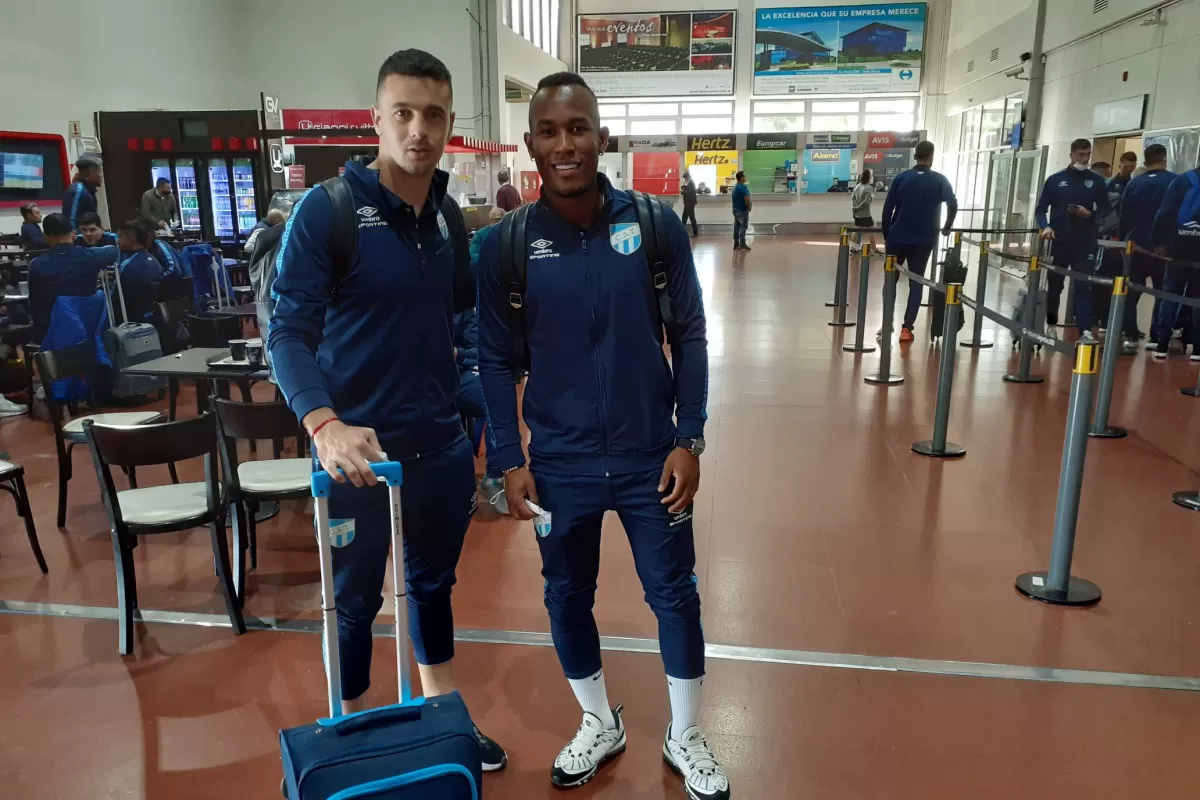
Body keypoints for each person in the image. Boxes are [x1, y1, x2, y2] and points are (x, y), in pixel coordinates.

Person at [476, 72, 727, 799]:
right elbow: (493, 358)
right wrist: (509, 456)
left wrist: (691, 434)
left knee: (675, 594)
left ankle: (685, 735)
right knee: (565, 594)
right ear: (531, 145)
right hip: (560, 464)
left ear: (602, 136)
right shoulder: (510, 245)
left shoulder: (654, 225)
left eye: (579, 128)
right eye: (550, 132)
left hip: (653, 456)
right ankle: (598, 722)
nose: (566, 144)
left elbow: (692, 332)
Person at [267, 48, 507, 772]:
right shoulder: (328, 212)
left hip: (436, 449)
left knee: (433, 586)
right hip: (359, 456)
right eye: (402, 112)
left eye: (433, 114)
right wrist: (323, 424)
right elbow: (286, 333)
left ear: (450, 124)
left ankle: (440, 720)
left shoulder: (448, 223)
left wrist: (482, 405)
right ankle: (353, 735)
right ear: (377, 119)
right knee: (354, 597)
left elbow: (461, 323)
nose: (418, 128)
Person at [880, 140, 958, 342]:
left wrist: (888, 234)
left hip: (897, 238)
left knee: (891, 280)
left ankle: (886, 323)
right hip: (924, 239)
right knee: (917, 282)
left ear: (916, 155)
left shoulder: (902, 178)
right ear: (931, 156)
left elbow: (888, 209)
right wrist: (947, 226)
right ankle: (907, 328)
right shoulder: (939, 180)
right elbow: (952, 204)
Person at [1035, 138, 1112, 336]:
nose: (1085, 159)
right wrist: (1045, 227)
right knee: (1055, 286)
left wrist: (1090, 215)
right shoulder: (1054, 180)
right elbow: (1041, 209)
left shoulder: (1096, 181)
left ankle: (1085, 330)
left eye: (1088, 154)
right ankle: (1051, 325)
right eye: (1081, 155)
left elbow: (1105, 209)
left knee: (1083, 286)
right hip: (1059, 241)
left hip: (1085, 242)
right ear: (1071, 155)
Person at [459, 206, 508, 514]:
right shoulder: (454, 293)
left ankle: (494, 476)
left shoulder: (486, 299)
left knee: (494, 400)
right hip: (440, 377)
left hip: (470, 373)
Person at [1118, 144, 1175, 350]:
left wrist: (1124, 240)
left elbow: (1124, 216)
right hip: (1162, 248)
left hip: (1136, 245)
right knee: (1162, 292)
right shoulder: (1174, 182)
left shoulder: (1135, 184)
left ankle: (1130, 335)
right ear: (1164, 158)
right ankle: (1155, 336)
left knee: (1132, 291)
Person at [27, 213, 118, 343]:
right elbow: (113, 250)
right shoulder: (92, 256)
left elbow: (34, 303)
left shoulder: (36, 265)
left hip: (54, 333)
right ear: (73, 234)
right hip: (91, 331)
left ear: (46, 238)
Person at [1148, 158, 1200, 360]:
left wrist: (1158, 243)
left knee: (1170, 294)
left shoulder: (1182, 180)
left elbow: (1165, 213)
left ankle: (1161, 344)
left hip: (1178, 248)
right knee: (1197, 298)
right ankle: (1197, 348)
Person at [112, 220, 164, 325]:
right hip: (153, 319)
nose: (117, 242)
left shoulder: (127, 266)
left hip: (131, 323)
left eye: (120, 237)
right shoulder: (155, 262)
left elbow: (114, 299)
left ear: (130, 240)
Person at [62, 155, 103, 231]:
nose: (101, 175)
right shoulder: (78, 190)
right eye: (99, 172)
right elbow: (71, 221)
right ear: (92, 173)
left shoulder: (88, 190)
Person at [851, 169, 876, 252]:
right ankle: (874, 248)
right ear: (868, 177)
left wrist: (855, 208)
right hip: (865, 214)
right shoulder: (869, 188)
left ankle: (853, 247)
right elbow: (866, 202)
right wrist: (871, 200)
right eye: (871, 176)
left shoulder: (857, 187)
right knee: (872, 229)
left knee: (856, 230)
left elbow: (853, 199)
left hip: (857, 213)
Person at [732, 169, 751, 251]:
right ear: (741, 178)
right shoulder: (743, 187)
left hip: (736, 210)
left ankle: (736, 244)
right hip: (742, 210)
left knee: (737, 226)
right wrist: (749, 207)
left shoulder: (735, 187)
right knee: (743, 226)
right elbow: (747, 199)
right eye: (744, 176)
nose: (745, 177)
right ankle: (742, 244)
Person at [680, 171, 698, 236]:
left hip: (689, 203)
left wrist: (683, 191)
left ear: (687, 177)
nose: (685, 180)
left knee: (686, 217)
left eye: (685, 178)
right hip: (690, 203)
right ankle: (694, 232)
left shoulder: (691, 183)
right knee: (690, 217)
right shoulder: (690, 183)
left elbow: (690, 193)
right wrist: (684, 191)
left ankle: (682, 231)